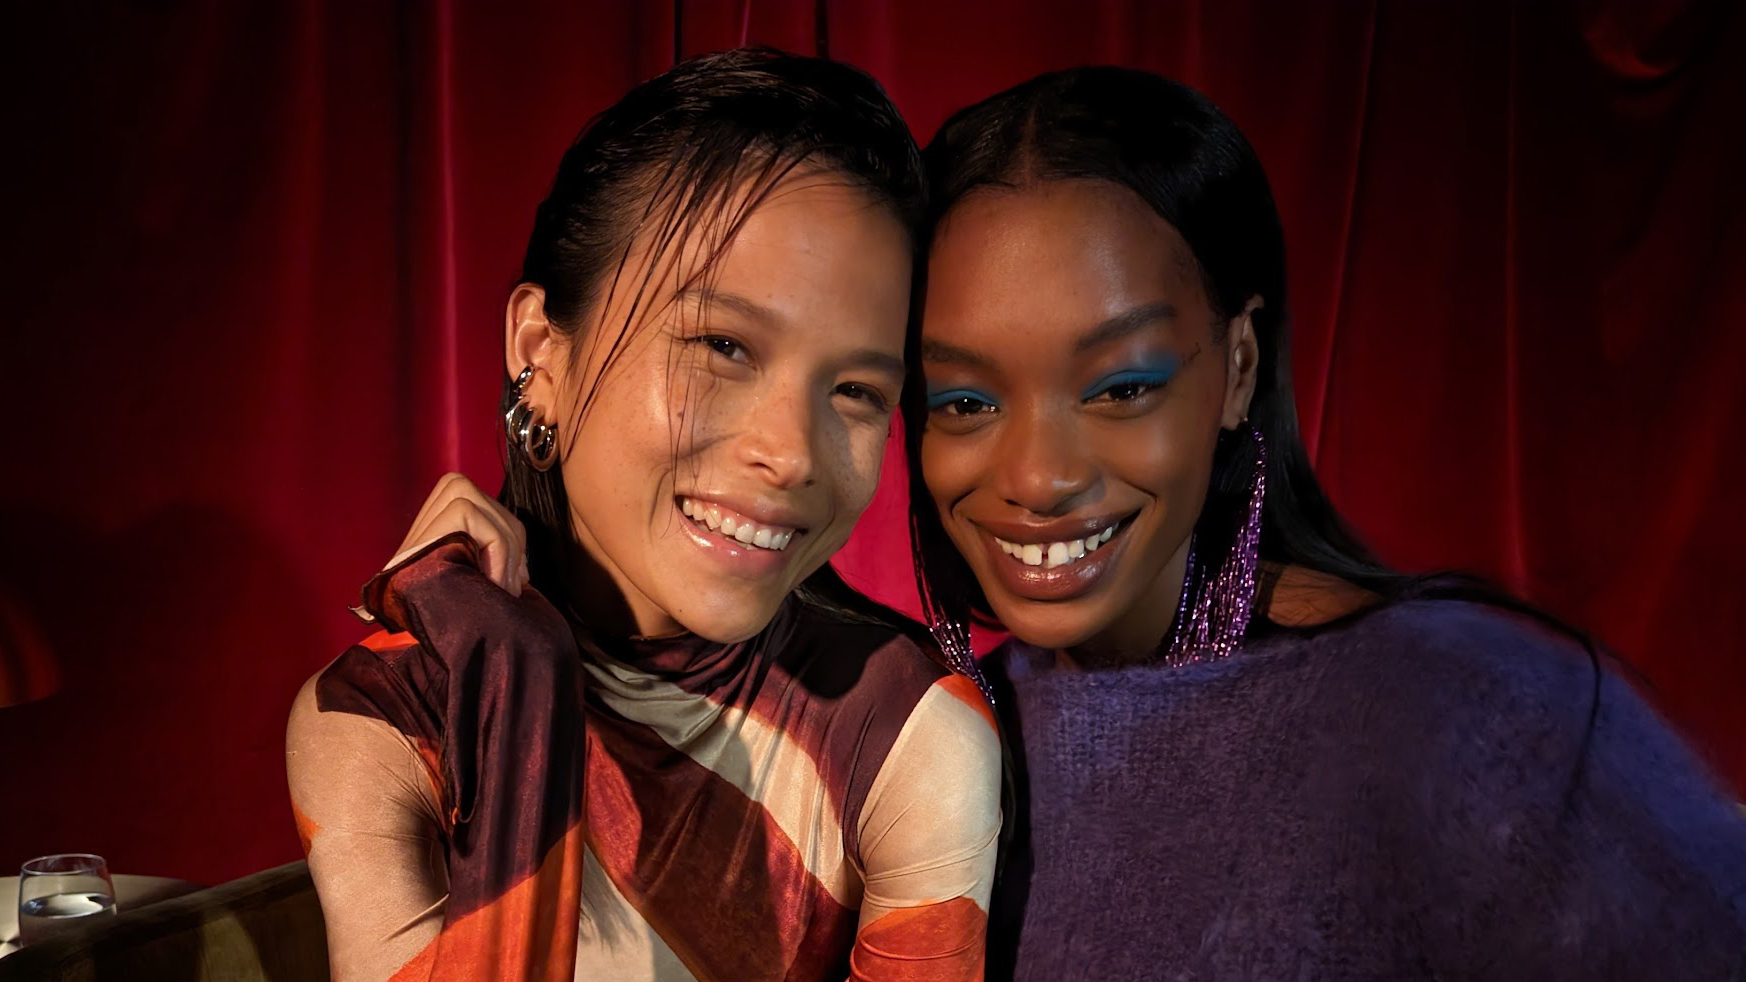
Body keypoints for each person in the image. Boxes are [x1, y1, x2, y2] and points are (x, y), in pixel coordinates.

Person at [396, 65, 1746, 980]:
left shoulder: (1462, 705)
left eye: (1119, 384)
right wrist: (493, 661)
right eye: (962, 397)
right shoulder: (905, 734)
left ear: (1231, 367)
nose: (1034, 474)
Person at [286, 48, 999, 982]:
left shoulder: (904, 732)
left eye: (856, 389)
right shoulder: (382, 716)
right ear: (541, 351)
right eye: (723, 344)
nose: (789, 453)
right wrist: (519, 700)